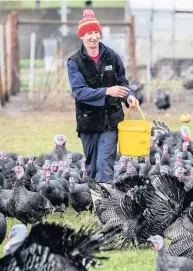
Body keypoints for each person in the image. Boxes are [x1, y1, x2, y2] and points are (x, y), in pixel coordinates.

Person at [67, 9, 139, 190]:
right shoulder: (74, 62)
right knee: (91, 168)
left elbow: (122, 82)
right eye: (88, 33)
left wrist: (129, 96)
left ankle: (105, 210)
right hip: (88, 122)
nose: (93, 37)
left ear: (100, 33)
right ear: (82, 36)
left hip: (112, 119)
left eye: (95, 32)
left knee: (104, 166)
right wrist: (108, 91)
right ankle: (96, 202)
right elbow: (80, 92)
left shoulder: (112, 56)